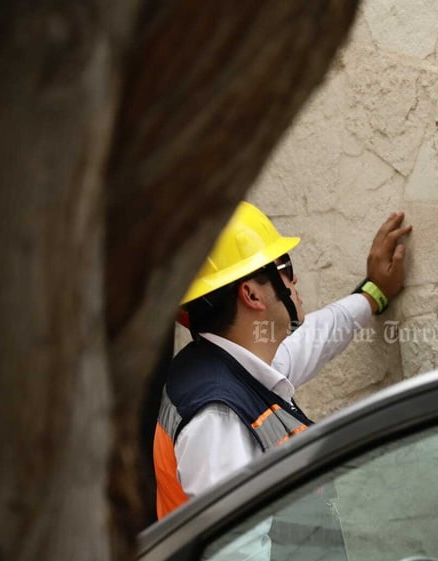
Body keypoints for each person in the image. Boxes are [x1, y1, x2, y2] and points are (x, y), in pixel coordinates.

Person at [153, 201, 411, 520]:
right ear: (252, 294)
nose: (294, 280)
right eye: (284, 267)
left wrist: (373, 293)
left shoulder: (230, 365)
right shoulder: (219, 418)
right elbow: (238, 554)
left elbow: (313, 339)